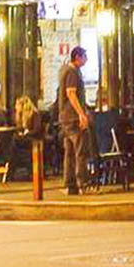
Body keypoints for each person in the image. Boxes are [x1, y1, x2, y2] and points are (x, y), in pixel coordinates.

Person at [56, 47, 91, 195]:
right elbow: (71, 93)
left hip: (65, 118)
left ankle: (70, 185)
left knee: (69, 151)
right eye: (84, 56)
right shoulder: (72, 72)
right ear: (77, 57)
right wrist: (82, 114)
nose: (86, 60)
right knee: (80, 150)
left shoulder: (65, 71)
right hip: (73, 118)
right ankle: (81, 182)